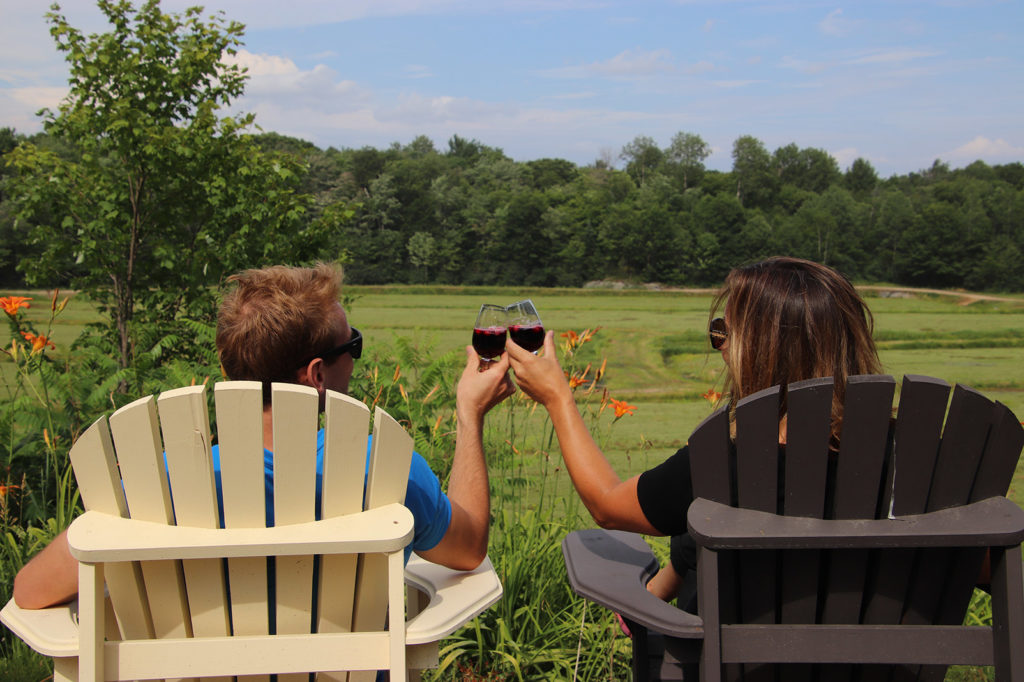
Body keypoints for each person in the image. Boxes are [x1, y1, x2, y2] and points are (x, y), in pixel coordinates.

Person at [14, 263, 515, 609]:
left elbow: (31, 591)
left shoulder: (163, 483)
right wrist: (470, 416)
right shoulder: (379, 467)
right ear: (317, 374)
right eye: (353, 346)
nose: (357, 357)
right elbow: (468, 550)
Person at [506, 256, 882, 602]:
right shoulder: (908, 453)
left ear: (763, 351)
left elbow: (607, 505)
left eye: (724, 334)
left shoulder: (727, 462)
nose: (719, 347)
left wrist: (558, 398)